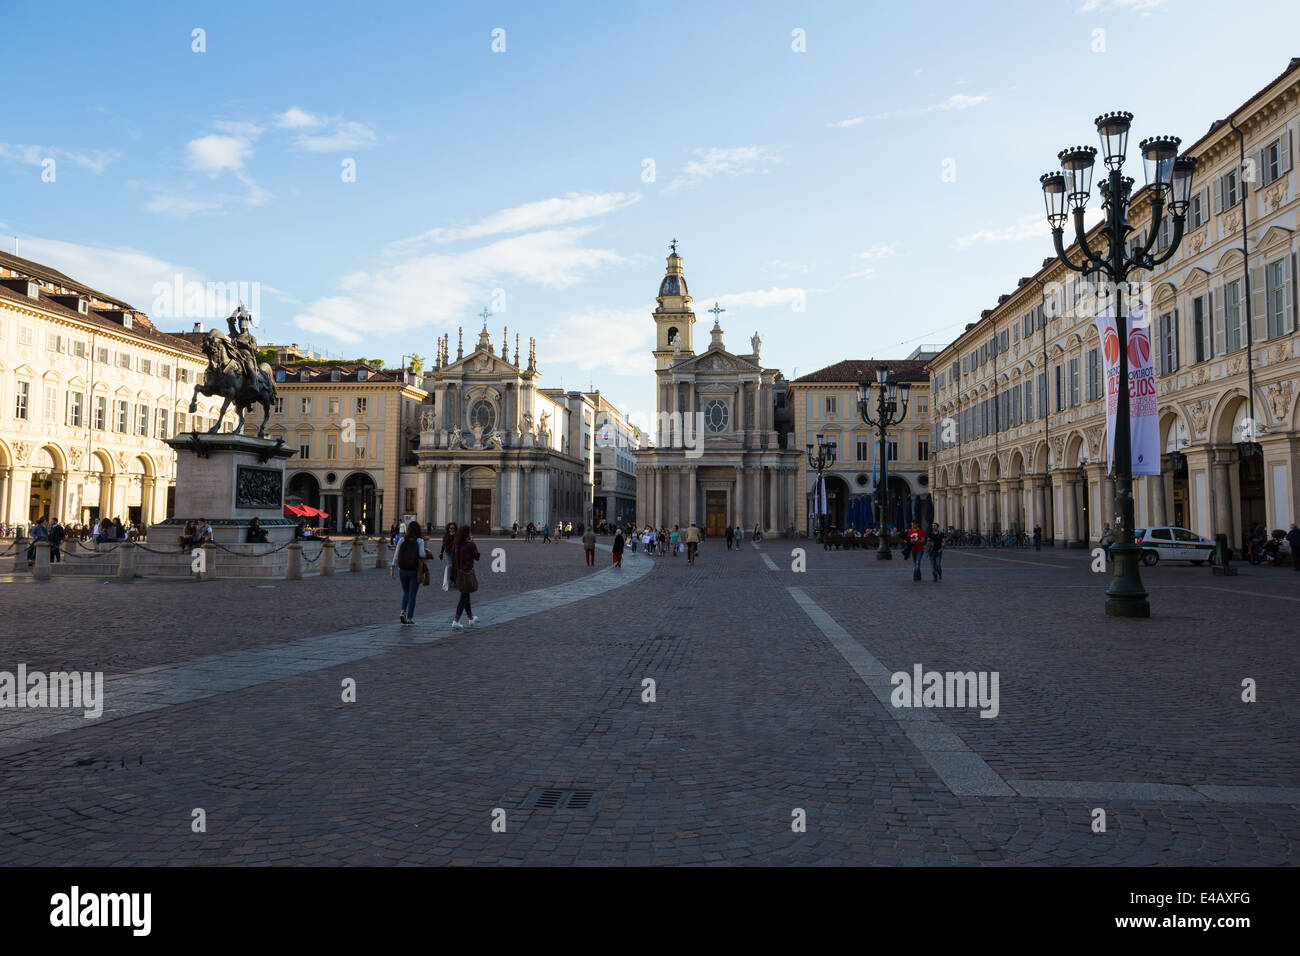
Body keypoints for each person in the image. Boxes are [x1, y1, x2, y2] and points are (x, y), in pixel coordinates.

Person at [391, 520, 427, 625]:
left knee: (406, 592)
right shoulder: (419, 541)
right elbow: (421, 554)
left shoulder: (402, 540)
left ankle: (403, 611)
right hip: (414, 570)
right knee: (412, 595)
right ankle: (410, 619)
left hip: (402, 570)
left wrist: (392, 568)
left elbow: (396, 554)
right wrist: (426, 553)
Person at [450, 525, 481, 629]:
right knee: (464, 597)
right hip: (467, 574)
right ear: (467, 534)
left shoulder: (456, 545)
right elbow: (477, 557)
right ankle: (456, 620)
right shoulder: (471, 545)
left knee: (466, 595)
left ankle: (471, 618)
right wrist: (473, 543)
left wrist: (452, 576)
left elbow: (453, 562)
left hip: (458, 573)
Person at [438, 522, 458, 591]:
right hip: (448, 553)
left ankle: (455, 582)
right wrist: (441, 553)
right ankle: (449, 581)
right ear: (448, 528)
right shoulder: (446, 535)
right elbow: (443, 545)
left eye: (453, 528)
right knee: (450, 566)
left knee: (455, 567)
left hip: (455, 553)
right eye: (451, 528)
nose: (452, 529)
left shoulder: (457, 535)